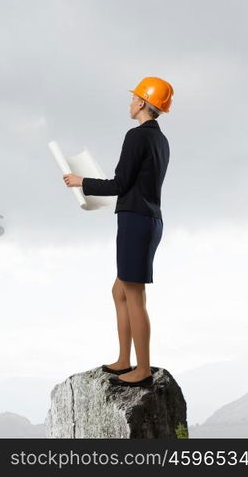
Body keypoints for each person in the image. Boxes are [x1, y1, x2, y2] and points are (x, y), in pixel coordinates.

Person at [62, 76, 173, 387]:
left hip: (136, 220)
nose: (129, 102)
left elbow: (119, 184)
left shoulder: (136, 136)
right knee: (119, 290)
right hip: (148, 219)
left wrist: (80, 181)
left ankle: (143, 369)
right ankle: (125, 359)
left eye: (133, 98)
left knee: (135, 295)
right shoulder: (160, 140)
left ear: (141, 103)